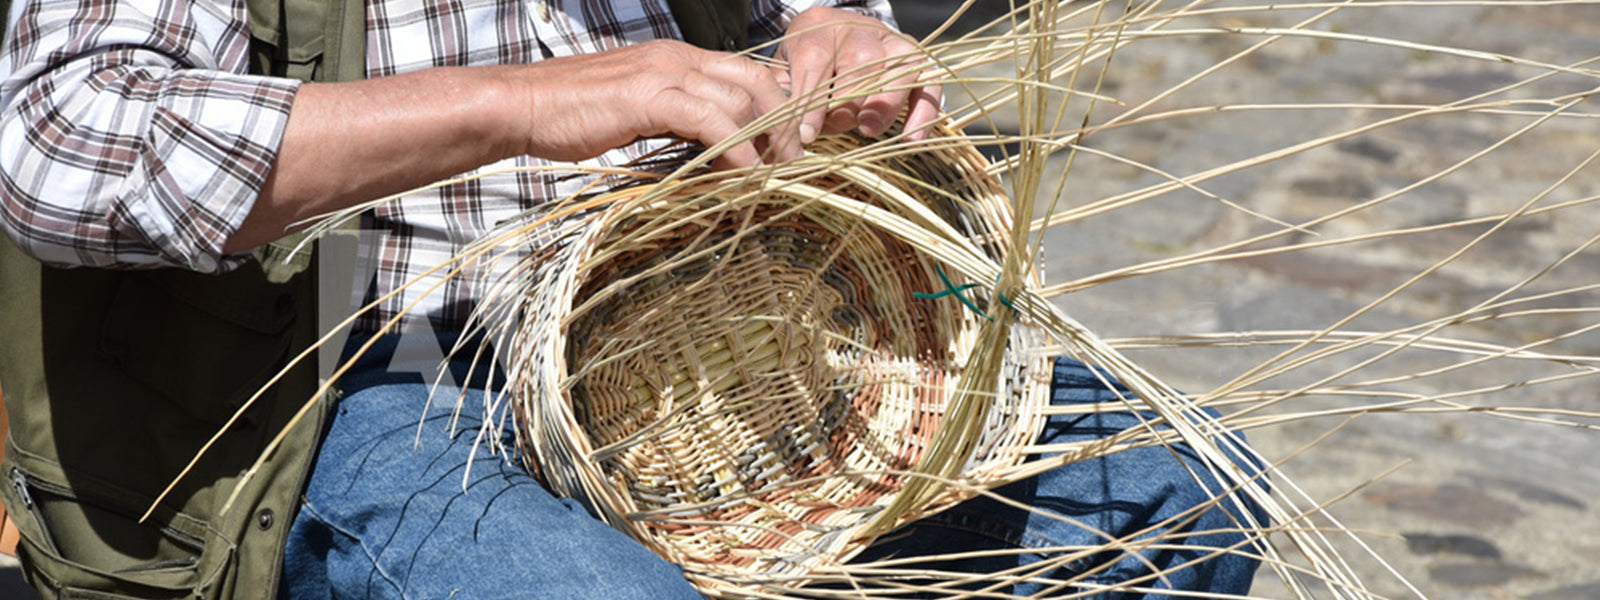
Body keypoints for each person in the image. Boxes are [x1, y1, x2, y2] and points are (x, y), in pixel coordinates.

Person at [0, 0, 1264, 597]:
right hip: (388, 363)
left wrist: (836, 36)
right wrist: (525, 106)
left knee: (1174, 487)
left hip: (721, 328)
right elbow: (61, 144)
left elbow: (804, 18)